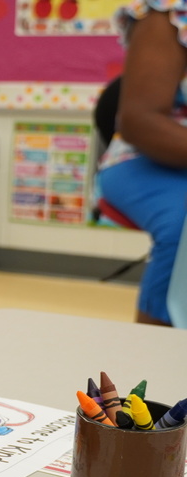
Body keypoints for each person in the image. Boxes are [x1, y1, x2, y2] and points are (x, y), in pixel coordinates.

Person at [97, 0, 187, 325]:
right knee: (184, 225)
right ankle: (155, 350)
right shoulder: (170, 11)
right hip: (143, 158)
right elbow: (138, 122)